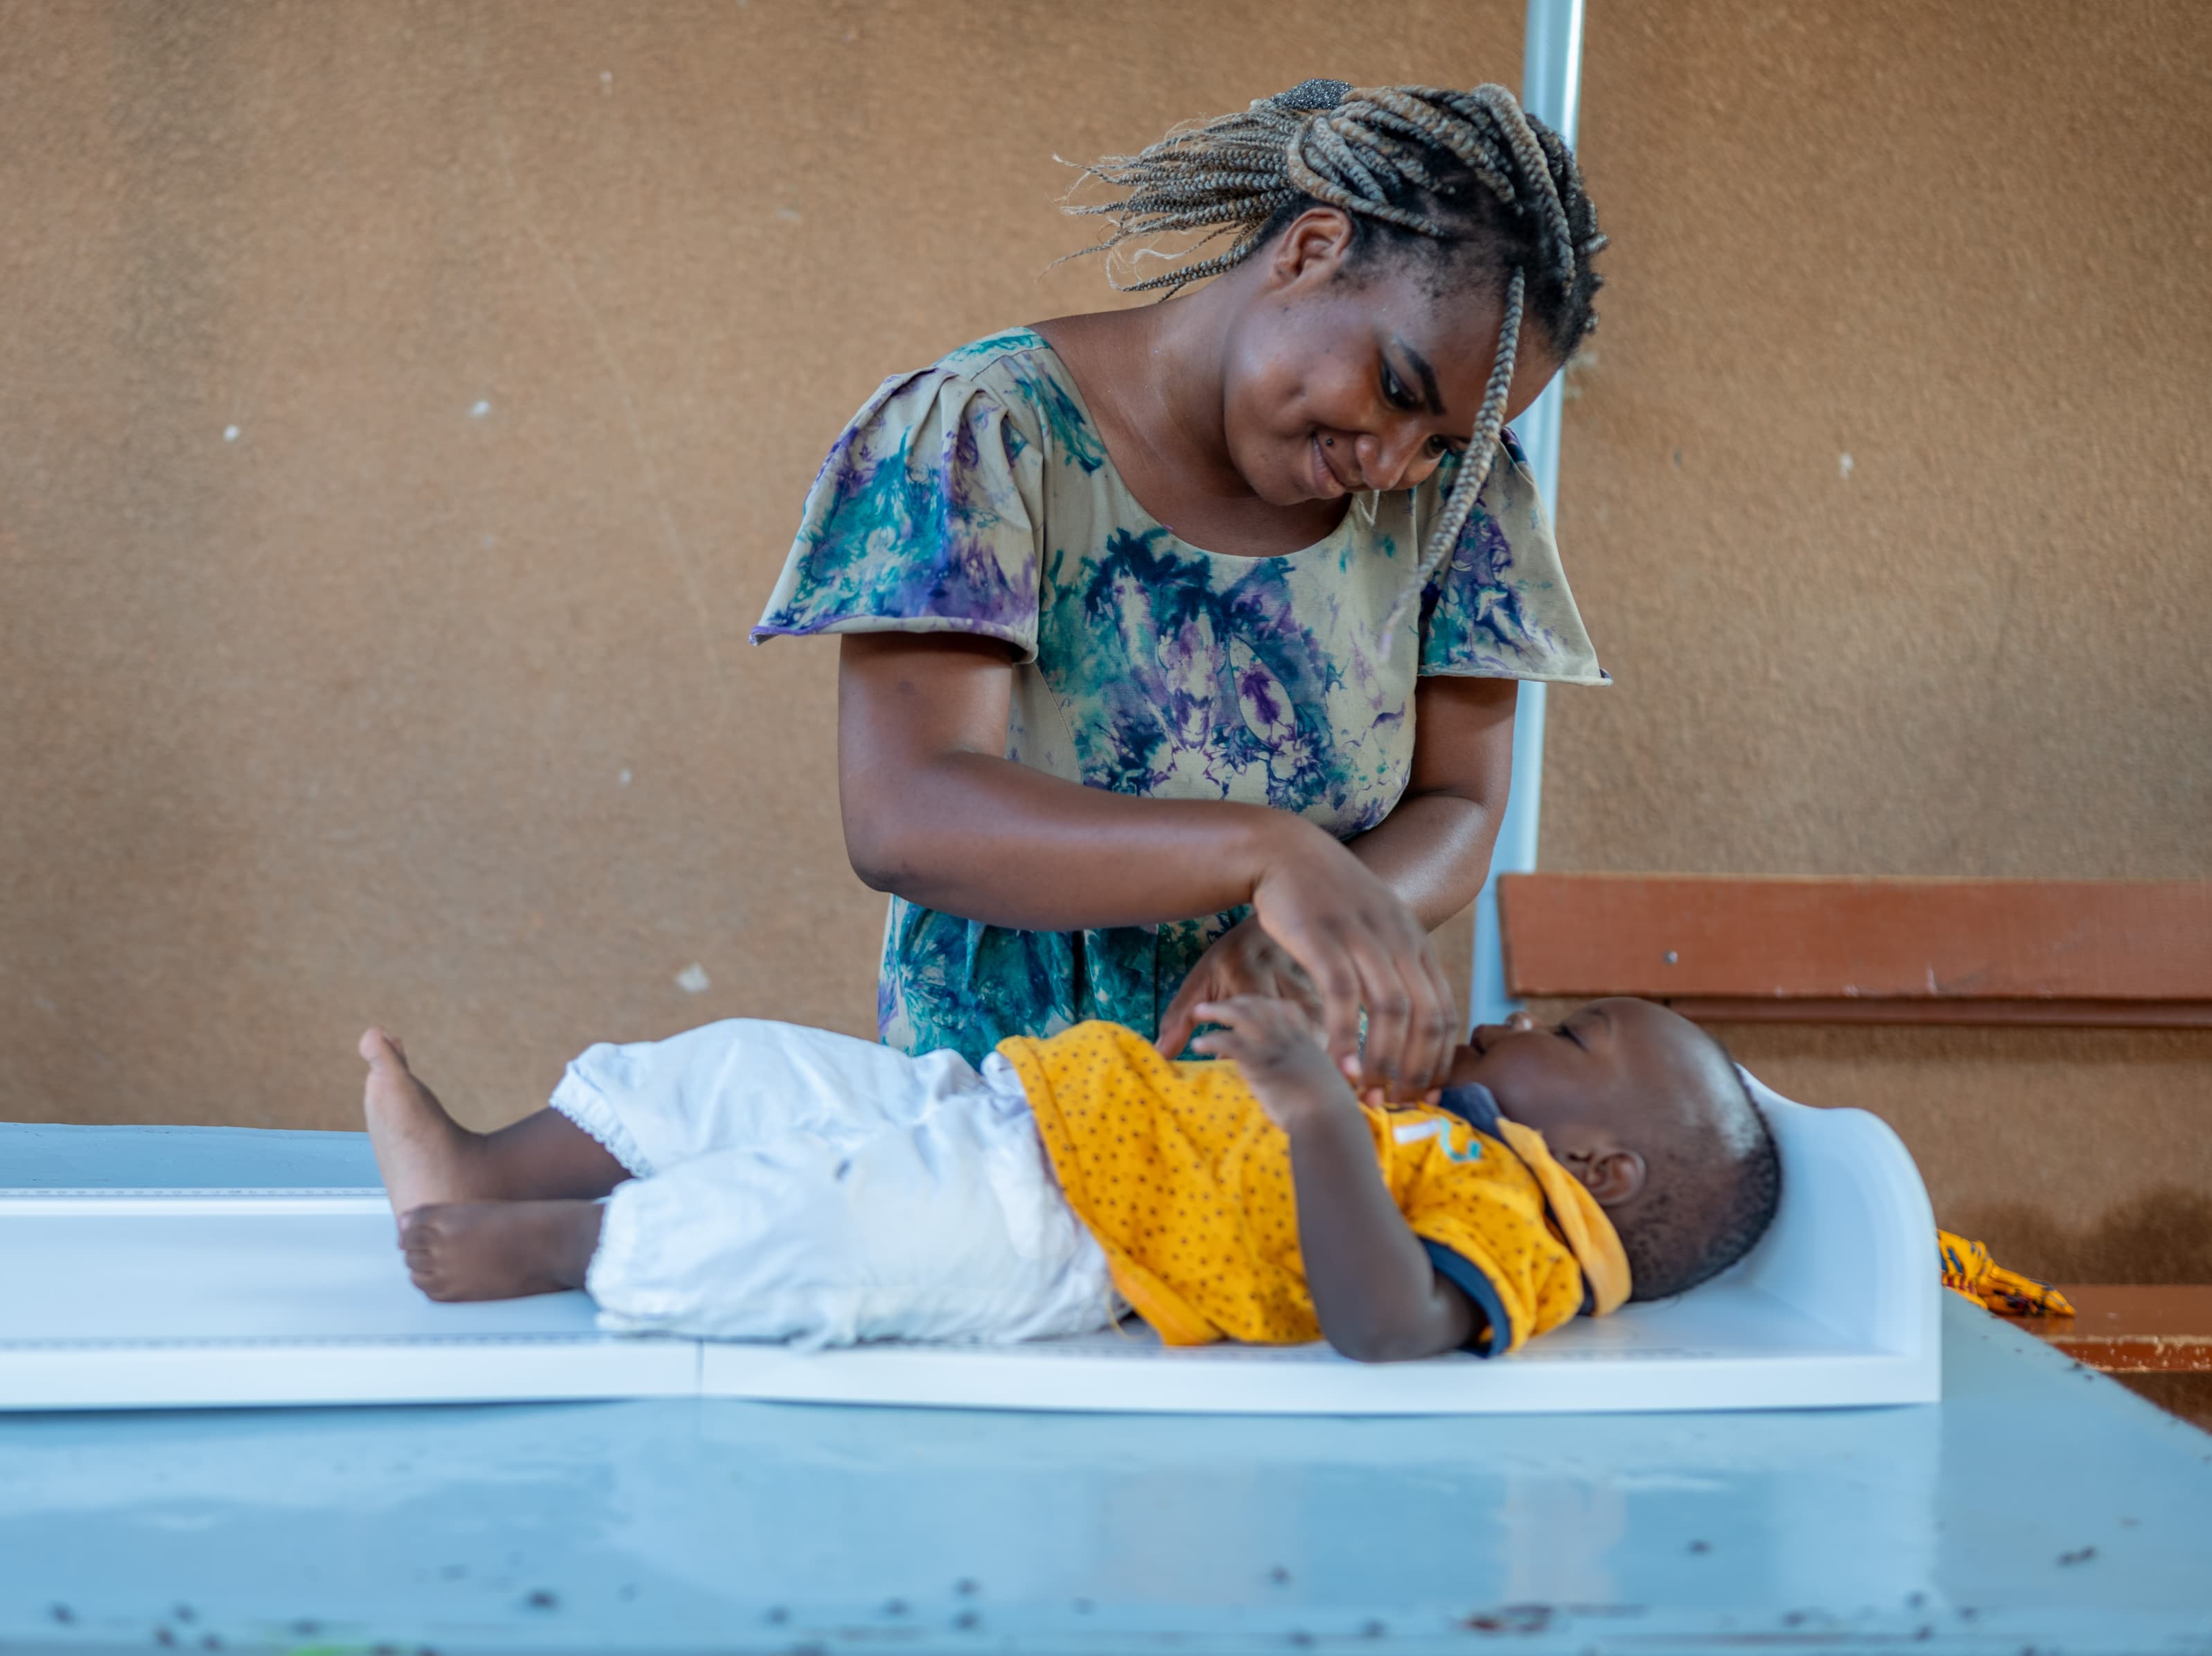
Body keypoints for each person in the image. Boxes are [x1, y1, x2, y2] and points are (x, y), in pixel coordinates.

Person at [753, 80, 1608, 1098]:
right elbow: (906, 814)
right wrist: (1271, 858)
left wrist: (1308, 933)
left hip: (1295, 1121)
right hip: (1004, 1115)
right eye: (1396, 390)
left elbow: (1458, 800)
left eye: (1442, 443)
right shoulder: (991, 433)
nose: (1392, 463)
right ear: (1310, 250)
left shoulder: (1463, 501)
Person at [356, 995, 1782, 1362]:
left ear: (1606, 1165)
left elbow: (1387, 1324)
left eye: (1573, 1033)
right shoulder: (1445, 1113)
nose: (1527, 1020)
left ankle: (583, 1249)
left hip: (1070, 1235)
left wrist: (1319, 1118)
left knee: (827, 1225)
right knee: (745, 1069)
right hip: (1021, 1102)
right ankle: (479, 1165)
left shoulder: (1520, 1218)